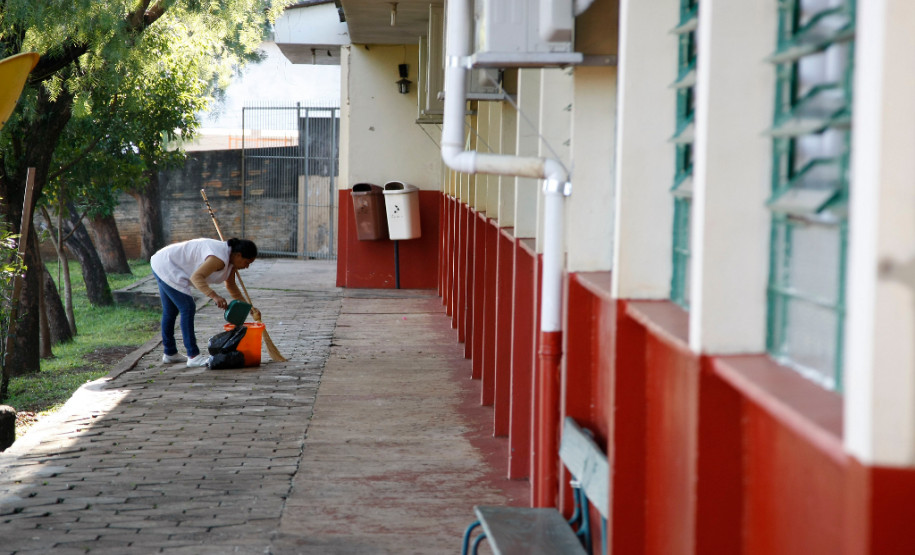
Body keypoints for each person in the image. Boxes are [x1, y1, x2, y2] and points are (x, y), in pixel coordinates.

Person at [150, 237, 260, 367]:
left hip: (163, 262)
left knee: (171, 310)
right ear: (238, 255)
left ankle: (170, 353)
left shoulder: (231, 261)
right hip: (166, 264)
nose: (246, 267)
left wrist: (249, 308)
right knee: (188, 307)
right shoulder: (218, 258)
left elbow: (232, 287)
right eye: (247, 262)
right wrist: (214, 296)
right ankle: (193, 356)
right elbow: (196, 277)